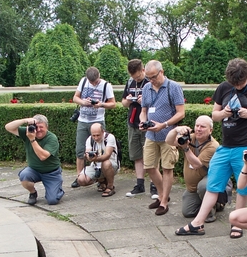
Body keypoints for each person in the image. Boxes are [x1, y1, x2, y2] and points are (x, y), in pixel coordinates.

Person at [174, 58, 247, 237]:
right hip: (225, 147)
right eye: (234, 83)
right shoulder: (223, 87)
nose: (238, 86)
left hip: (245, 146)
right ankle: (198, 223)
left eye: (240, 83)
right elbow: (215, 115)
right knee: (213, 184)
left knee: (243, 187)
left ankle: (237, 223)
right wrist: (224, 113)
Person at [139, 60, 185, 215]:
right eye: (148, 77)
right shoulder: (146, 88)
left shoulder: (173, 87)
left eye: (153, 77)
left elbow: (181, 113)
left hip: (169, 135)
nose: (151, 80)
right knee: (149, 166)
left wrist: (164, 124)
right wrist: (142, 120)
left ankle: (164, 202)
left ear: (162, 72)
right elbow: (143, 110)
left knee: (167, 168)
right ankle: (161, 195)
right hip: (151, 134)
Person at [165, 116, 221, 221]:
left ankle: (211, 209)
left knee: (203, 186)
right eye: (197, 126)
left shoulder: (213, 146)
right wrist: (176, 130)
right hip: (193, 187)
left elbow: (197, 164)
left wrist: (186, 149)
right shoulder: (191, 138)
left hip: (208, 182)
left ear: (210, 130)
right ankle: (208, 203)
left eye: (203, 127)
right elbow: (168, 141)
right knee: (187, 212)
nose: (199, 129)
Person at [5, 114, 64, 205]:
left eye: (41, 127)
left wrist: (32, 139)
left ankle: (56, 188)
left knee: (53, 200)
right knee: (24, 175)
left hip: (51, 172)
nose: (38, 130)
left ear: (47, 127)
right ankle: (33, 193)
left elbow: (43, 156)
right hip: (34, 170)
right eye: (36, 127)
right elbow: (8, 127)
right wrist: (25, 120)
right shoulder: (29, 132)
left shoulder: (51, 138)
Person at [71, 67, 116, 187]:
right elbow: (75, 97)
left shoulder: (106, 85)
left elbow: (113, 103)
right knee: (80, 151)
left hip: (97, 121)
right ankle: (79, 175)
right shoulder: (83, 81)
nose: (94, 84)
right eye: (92, 82)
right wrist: (83, 102)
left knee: (100, 149)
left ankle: (102, 177)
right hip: (82, 120)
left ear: (99, 76)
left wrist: (101, 104)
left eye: (95, 81)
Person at [121, 59, 151, 197]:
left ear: (143, 70)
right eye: (134, 77)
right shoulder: (129, 82)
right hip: (133, 122)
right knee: (136, 155)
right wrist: (128, 100)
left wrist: (144, 100)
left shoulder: (150, 82)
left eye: (138, 76)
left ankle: (154, 185)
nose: (136, 79)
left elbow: (157, 102)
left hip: (148, 124)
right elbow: (123, 103)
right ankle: (140, 184)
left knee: (150, 155)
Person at [75, 123, 119, 197]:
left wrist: (96, 158)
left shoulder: (109, 137)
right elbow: (87, 152)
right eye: (93, 135)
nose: (95, 138)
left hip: (111, 164)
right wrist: (88, 157)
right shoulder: (89, 139)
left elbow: (107, 155)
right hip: (95, 166)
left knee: (106, 163)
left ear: (103, 132)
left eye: (98, 135)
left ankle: (110, 186)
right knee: (81, 180)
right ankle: (101, 180)